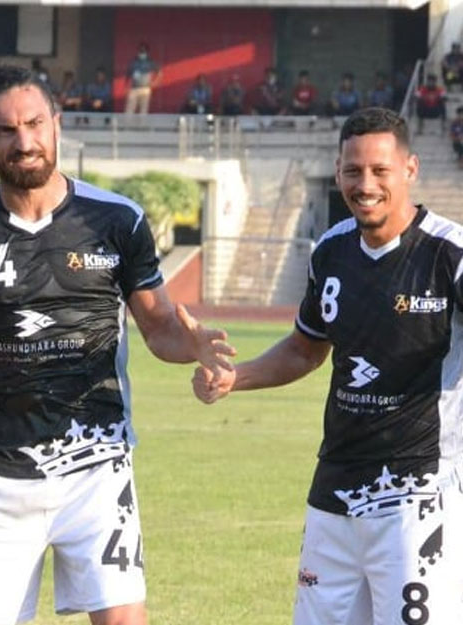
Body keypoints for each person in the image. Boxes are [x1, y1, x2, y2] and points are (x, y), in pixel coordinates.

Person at [0, 63, 234, 625]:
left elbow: (159, 327)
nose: (24, 142)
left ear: (57, 124)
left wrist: (195, 345)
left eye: (34, 124)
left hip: (97, 466)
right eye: (4, 131)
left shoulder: (117, 220)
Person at [192, 107, 463, 625]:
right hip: (333, 493)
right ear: (337, 172)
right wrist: (235, 378)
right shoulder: (332, 251)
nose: (366, 185)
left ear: (410, 169)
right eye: (353, 171)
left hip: (418, 496)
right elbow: (305, 348)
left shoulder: (449, 255)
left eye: (380, 170)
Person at [124, 42, 160, 115]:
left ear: (147, 52)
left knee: (143, 111)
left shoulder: (150, 62)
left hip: (145, 88)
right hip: (134, 88)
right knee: (129, 111)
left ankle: (142, 123)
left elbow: (159, 72)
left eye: (143, 51)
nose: (142, 53)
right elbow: (128, 74)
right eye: (140, 51)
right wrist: (126, 86)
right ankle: (127, 123)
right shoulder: (133, 62)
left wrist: (154, 82)